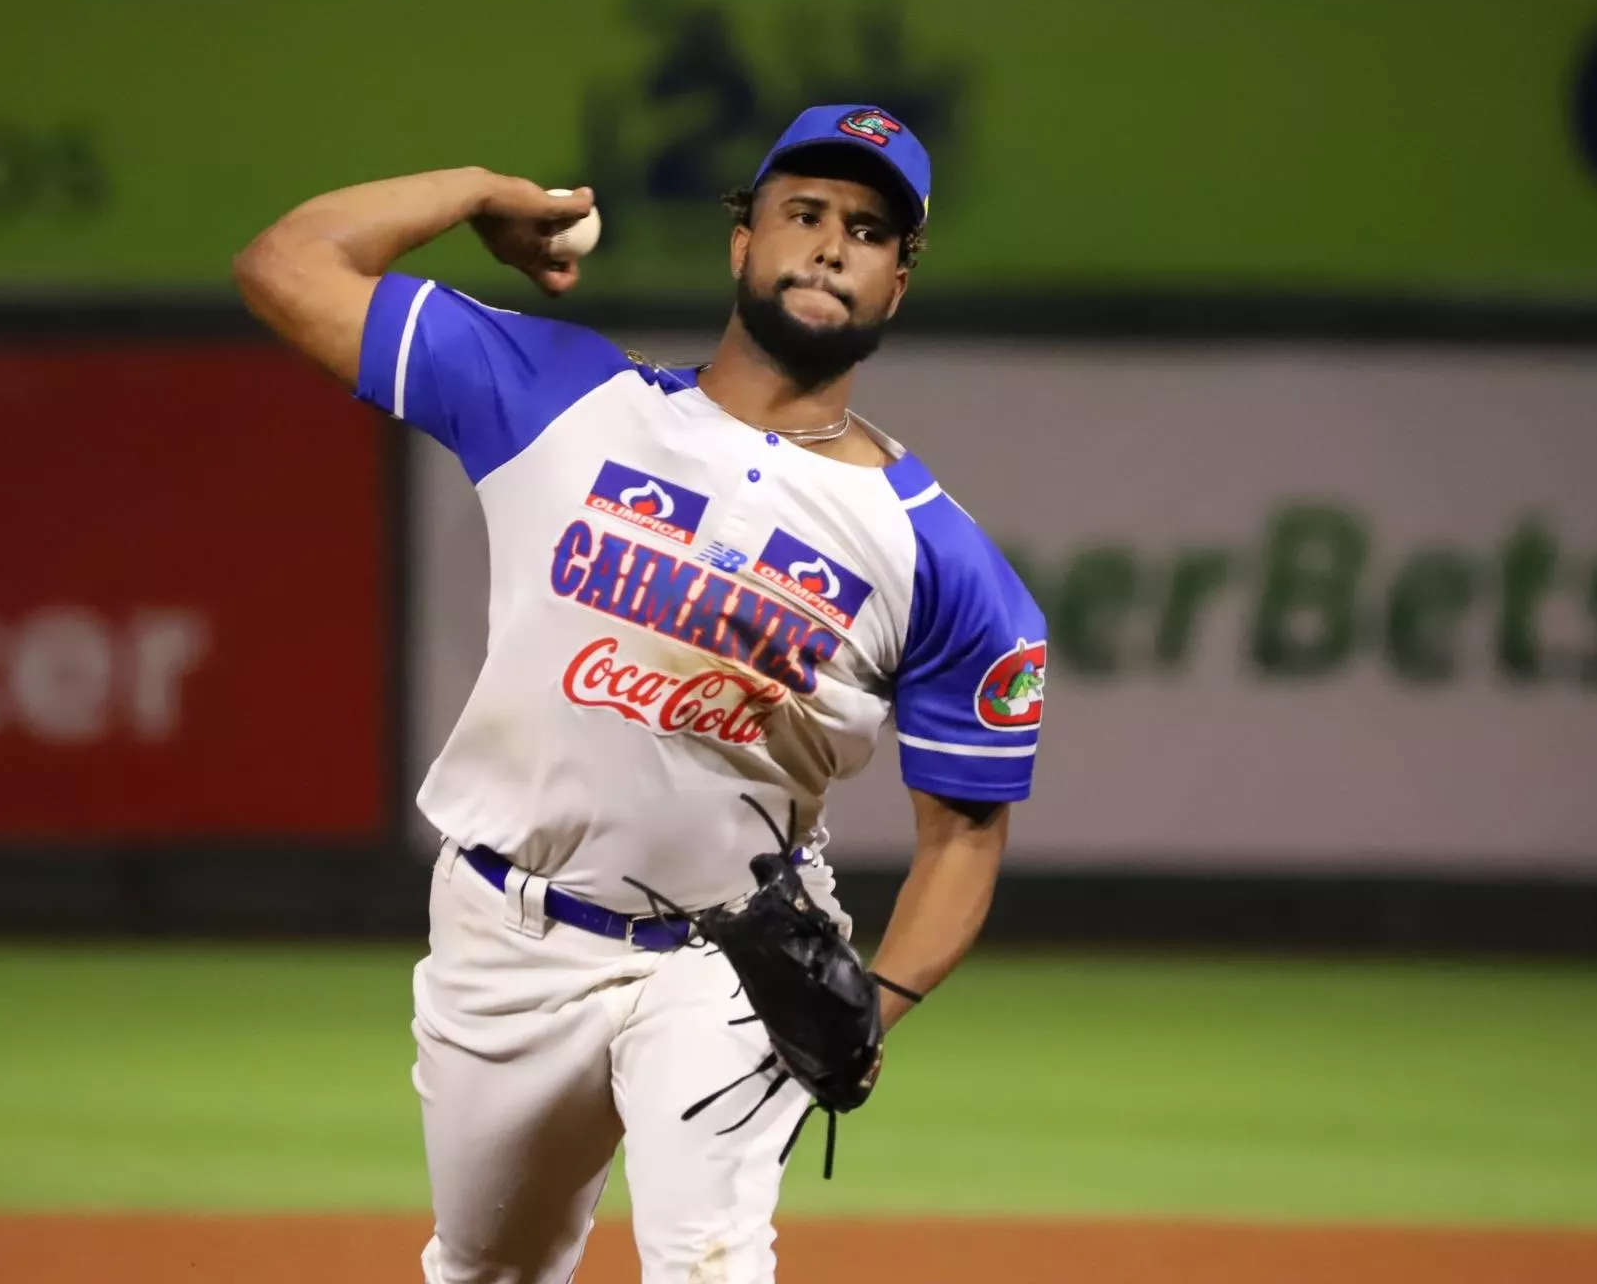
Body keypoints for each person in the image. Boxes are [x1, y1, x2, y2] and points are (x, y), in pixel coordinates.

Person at [233, 104, 1046, 1283]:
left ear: (898, 282)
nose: (828, 246)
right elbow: (285, 266)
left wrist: (873, 1006)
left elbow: (965, 834)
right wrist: (473, 188)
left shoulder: (941, 561)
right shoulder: (560, 398)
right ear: (741, 242)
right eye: (803, 214)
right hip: (507, 938)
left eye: (867, 232)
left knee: (710, 1262)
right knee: (489, 1267)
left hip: (734, 956)